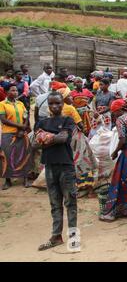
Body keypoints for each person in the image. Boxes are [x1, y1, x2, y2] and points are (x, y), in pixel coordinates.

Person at [33, 92, 77, 251]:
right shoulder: (41, 122)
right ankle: (56, 236)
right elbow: (34, 144)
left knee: (70, 201)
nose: (54, 106)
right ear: (48, 106)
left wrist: (44, 137)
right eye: (51, 104)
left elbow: (63, 138)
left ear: (62, 104)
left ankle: (73, 238)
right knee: (54, 203)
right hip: (50, 166)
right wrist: (51, 137)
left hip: (66, 166)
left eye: (58, 103)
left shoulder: (68, 120)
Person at [0, 84, 32, 190]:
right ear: (6, 92)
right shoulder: (2, 104)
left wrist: (23, 129)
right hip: (8, 134)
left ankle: (26, 179)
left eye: (16, 91)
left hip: (22, 133)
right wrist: (20, 126)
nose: (15, 93)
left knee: (25, 155)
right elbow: (4, 120)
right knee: (7, 156)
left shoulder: (20, 103)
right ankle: (8, 180)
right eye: (12, 90)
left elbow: (26, 116)